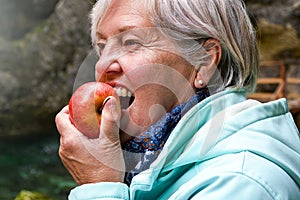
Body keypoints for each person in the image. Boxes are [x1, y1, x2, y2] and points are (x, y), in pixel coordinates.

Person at [55, 0, 300, 199]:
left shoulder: (241, 182)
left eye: (131, 43)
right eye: (102, 46)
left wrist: (99, 185)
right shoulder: (156, 161)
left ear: (203, 63)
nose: (102, 65)